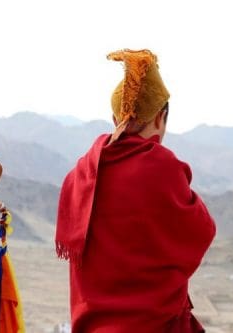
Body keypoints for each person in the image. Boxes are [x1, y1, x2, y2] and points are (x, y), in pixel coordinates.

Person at [55, 49, 216, 333]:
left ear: (114, 117)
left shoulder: (79, 176)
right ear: (160, 118)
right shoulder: (162, 167)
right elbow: (201, 231)